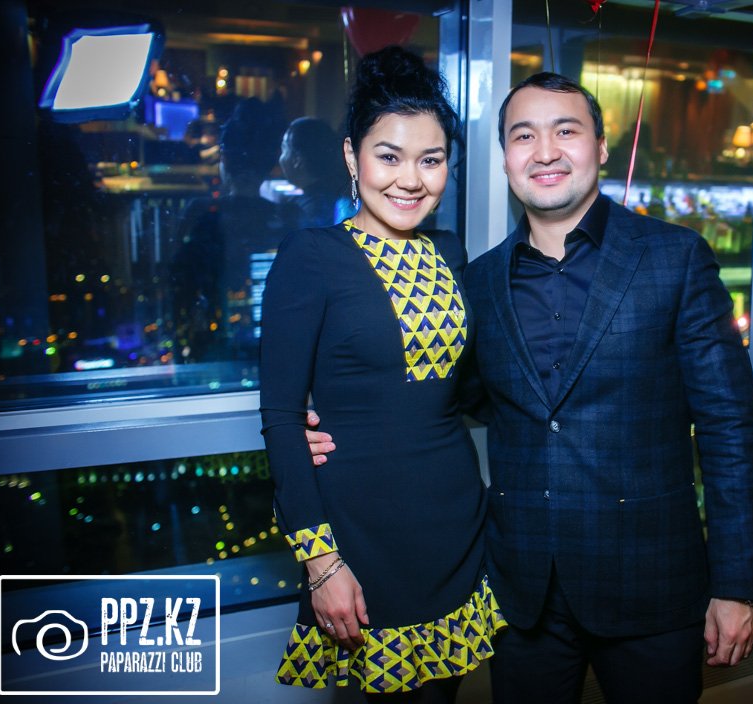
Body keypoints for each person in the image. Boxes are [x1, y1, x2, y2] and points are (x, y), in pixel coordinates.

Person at [308, 72, 753, 703]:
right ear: (505, 158)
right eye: (524, 136)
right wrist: (326, 417)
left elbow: (728, 427)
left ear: (600, 147)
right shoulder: (477, 281)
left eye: (565, 131)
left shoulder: (675, 258)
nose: (545, 151)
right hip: (521, 595)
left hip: (652, 587)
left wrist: (737, 583)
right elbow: (446, 396)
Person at [259, 46, 505, 702]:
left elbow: (471, 390)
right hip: (360, 539)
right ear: (352, 156)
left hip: (457, 526)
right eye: (389, 156)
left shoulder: (450, 253)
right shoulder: (310, 256)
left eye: (431, 159)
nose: (410, 180)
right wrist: (321, 563)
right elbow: (281, 416)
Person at [172, 97, 299, 362]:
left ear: (225, 159)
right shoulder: (290, 219)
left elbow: (180, 283)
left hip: (216, 353)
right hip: (281, 350)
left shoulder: (201, 215)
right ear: (270, 161)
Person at [278, 117, 354, 227]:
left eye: (284, 149)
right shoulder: (337, 194)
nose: (280, 158)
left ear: (297, 160)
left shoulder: (308, 211)